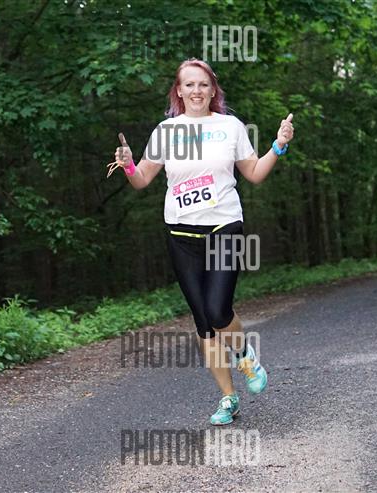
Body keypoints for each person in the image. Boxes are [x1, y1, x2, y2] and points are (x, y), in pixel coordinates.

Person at [108, 58, 294, 425]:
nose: (196, 90)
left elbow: (254, 173)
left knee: (218, 310)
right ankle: (228, 398)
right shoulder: (166, 131)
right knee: (204, 323)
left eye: (203, 84)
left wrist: (278, 145)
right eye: (189, 84)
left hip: (223, 225)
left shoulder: (229, 126)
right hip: (181, 234)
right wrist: (128, 164)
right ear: (179, 91)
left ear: (213, 90)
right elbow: (142, 179)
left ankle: (245, 356)